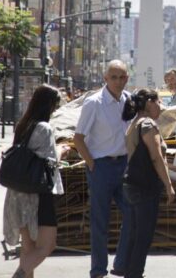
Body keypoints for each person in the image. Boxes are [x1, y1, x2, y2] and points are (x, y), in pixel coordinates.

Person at [73, 60, 133, 278]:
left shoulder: (129, 101)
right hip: (102, 166)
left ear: (127, 78)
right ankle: (98, 270)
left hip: (124, 165)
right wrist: (92, 164)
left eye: (122, 77)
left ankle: (121, 264)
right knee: (100, 221)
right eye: (114, 77)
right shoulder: (94, 103)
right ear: (106, 79)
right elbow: (78, 139)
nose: (118, 82)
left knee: (132, 214)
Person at [3, 84, 69, 278]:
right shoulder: (44, 128)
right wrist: (62, 150)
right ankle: (21, 273)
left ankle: (24, 273)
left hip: (18, 191)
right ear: (49, 105)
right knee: (47, 245)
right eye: (56, 105)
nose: (56, 109)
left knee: (28, 245)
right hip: (39, 193)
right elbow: (50, 161)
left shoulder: (24, 124)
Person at [120, 89, 176, 278]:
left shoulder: (134, 123)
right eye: (159, 102)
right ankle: (135, 273)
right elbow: (156, 157)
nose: (160, 107)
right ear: (150, 102)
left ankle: (130, 271)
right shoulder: (147, 124)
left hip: (132, 185)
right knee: (143, 236)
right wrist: (168, 185)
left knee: (136, 234)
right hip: (144, 187)